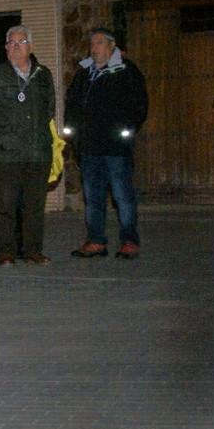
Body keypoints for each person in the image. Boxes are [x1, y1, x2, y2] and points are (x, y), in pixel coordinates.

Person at [63, 28, 148, 260]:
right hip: (90, 148)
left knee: (122, 195)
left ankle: (129, 241)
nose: (94, 48)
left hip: (115, 148)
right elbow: (72, 104)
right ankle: (96, 241)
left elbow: (139, 104)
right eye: (92, 44)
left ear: (112, 46)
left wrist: (126, 131)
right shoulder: (84, 74)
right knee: (93, 197)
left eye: (99, 43)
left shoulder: (126, 71)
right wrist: (74, 135)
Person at [0, 25, 56, 265]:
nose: (15, 47)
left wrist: (38, 132)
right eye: (11, 43)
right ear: (6, 48)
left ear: (30, 47)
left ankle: (32, 250)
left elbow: (50, 107)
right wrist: (0, 134)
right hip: (7, 153)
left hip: (37, 152)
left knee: (34, 206)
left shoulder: (43, 74)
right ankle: (7, 252)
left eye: (21, 42)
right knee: (5, 205)